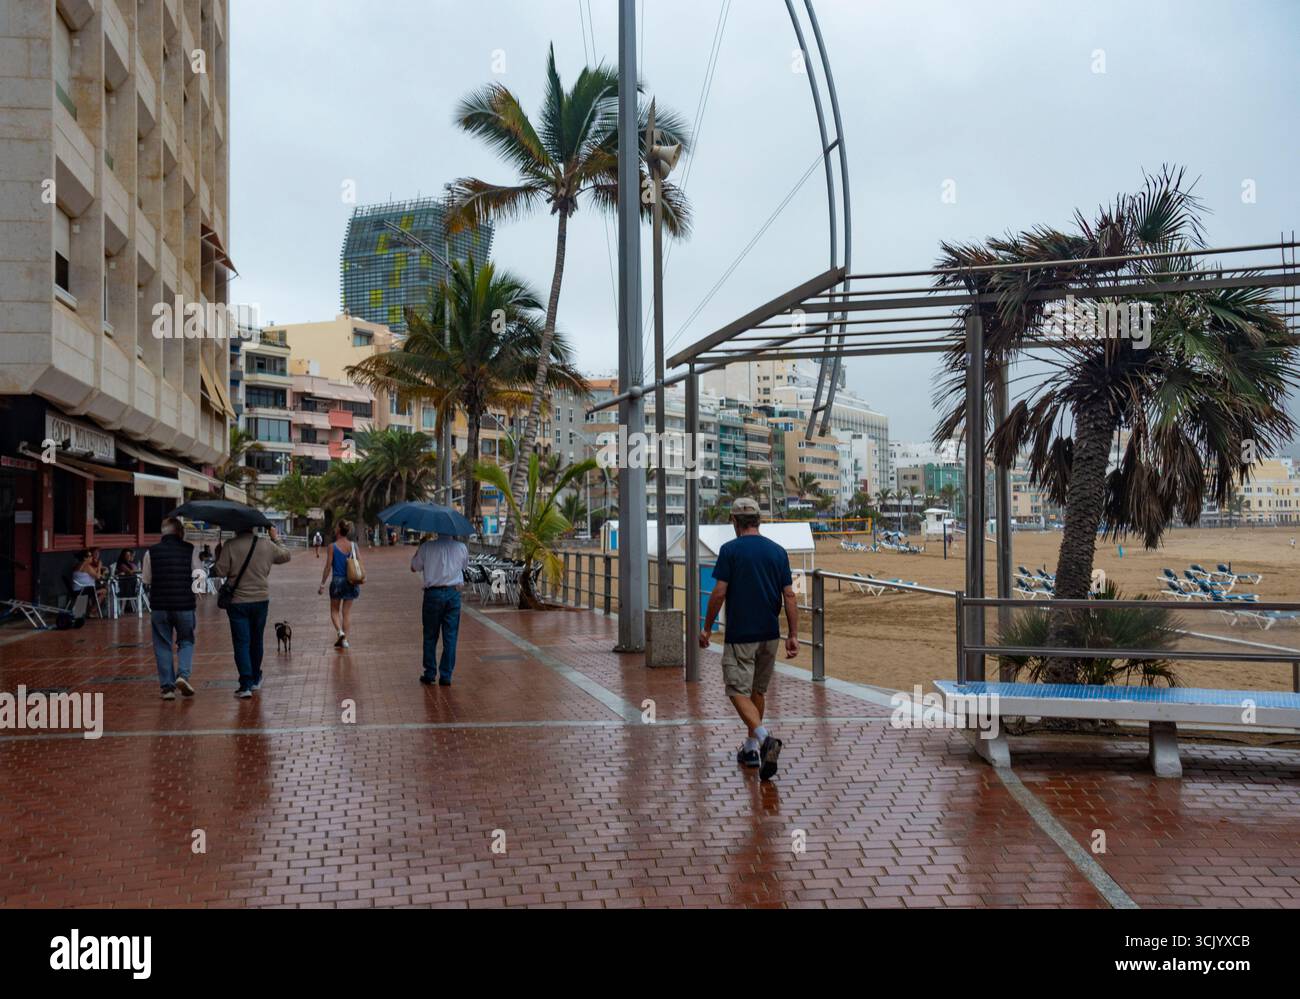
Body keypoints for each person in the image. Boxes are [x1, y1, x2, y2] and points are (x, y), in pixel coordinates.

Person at [699, 497, 798, 781]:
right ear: (759, 521)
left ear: (735, 522)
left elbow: (718, 592)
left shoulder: (730, 550)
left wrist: (706, 628)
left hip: (741, 634)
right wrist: (792, 635)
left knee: (736, 690)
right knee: (758, 690)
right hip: (770, 634)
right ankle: (752, 748)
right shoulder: (777, 552)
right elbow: (789, 595)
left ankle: (766, 739)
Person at [213, 525, 291, 698]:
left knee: (241, 642)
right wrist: (275, 537)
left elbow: (220, 571)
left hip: (238, 602)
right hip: (261, 600)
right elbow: (286, 555)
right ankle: (256, 679)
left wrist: (219, 554)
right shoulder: (266, 545)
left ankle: (246, 684)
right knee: (257, 640)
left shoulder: (230, 545)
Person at [142, 518, 202, 700]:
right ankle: (183, 675)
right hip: (184, 605)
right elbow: (199, 576)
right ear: (180, 532)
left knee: (162, 644)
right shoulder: (190, 549)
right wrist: (197, 592)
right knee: (186, 640)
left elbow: (146, 580)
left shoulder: (150, 552)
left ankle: (167, 688)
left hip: (159, 606)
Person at [411, 531, 469, 686]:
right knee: (450, 636)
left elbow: (414, 567)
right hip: (453, 594)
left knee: (430, 635)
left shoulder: (426, 547)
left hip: (433, 594)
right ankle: (446, 675)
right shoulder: (461, 547)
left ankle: (430, 673)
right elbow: (464, 566)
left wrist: (419, 548)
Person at [318, 520, 360, 649]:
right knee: (346, 613)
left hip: (337, 582)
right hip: (351, 581)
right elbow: (359, 563)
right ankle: (345, 640)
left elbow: (328, 566)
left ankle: (340, 632)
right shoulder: (354, 546)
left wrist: (322, 583)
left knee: (334, 611)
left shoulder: (332, 546)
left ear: (338, 530)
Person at [70, 549, 106, 616]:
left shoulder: (78, 565)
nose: (92, 557)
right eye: (90, 556)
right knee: (104, 590)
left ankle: (90, 611)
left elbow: (88, 573)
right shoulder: (86, 566)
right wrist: (99, 566)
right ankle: (92, 611)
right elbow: (97, 577)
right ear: (85, 558)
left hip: (78, 589)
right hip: (84, 590)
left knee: (100, 588)